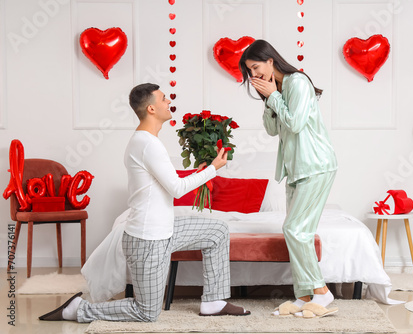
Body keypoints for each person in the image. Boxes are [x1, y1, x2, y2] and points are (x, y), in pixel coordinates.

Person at [39, 83, 250, 322]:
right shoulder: (147, 144)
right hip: (147, 240)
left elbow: (167, 183)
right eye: (163, 99)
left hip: (166, 231)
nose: (169, 101)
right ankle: (78, 309)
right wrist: (213, 169)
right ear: (151, 108)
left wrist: (200, 171)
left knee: (217, 231)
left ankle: (214, 301)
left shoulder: (148, 142)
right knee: (147, 312)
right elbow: (177, 189)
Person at [239, 40, 338, 318]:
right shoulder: (279, 89)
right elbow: (272, 129)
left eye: (256, 67)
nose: (254, 75)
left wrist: (273, 96)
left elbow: (294, 124)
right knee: (294, 231)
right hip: (296, 169)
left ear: (271, 61)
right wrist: (269, 98)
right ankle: (304, 295)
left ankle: (321, 291)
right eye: (250, 72)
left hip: (316, 165)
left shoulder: (297, 83)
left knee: (297, 230)